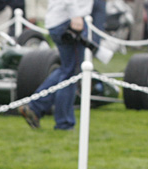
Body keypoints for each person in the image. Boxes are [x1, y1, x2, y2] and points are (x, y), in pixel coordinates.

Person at [17, 0, 92, 130]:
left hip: (59, 20)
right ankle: (64, 122)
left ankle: (36, 106)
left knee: (66, 70)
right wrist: (76, 15)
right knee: (70, 74)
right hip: (68, 20)